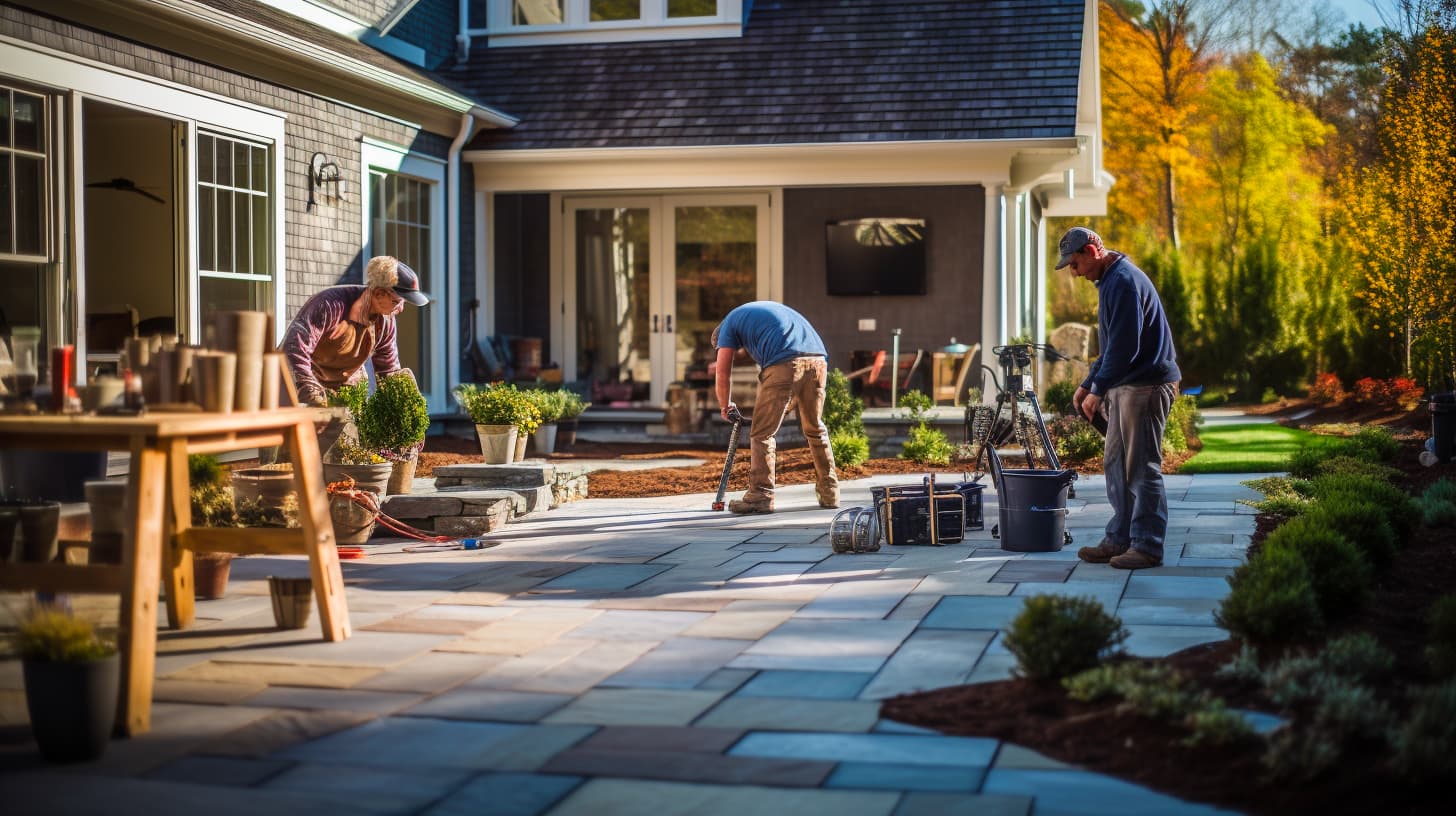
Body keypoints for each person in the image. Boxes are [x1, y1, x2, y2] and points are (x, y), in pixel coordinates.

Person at [1058, 227, 1181, 570]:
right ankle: (1119, 539)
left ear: (1092, 251)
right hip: (1127, 386)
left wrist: (1097, 391)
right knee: (1115, 464)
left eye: (1075, 262)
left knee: (1141, 468)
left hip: (1145, 386)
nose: (1074, 271)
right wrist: (1089, 383)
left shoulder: (1124, 281)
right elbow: (1111, 347)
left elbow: (1127, 348)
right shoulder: (1110, 282)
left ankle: (1147, 546)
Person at [713, 301, 838, 514]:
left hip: (785, 363)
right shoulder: (755, 315)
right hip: (818, 360)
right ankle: (830, 493)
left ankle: (760, 496)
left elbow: (722, 371)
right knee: (815, 428)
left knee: (762, 433)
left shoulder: (728, 326)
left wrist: (725, 405)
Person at [280, 256, 430, 407]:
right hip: (306, 383)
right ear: (378, 293)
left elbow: (388, 370)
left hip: (347, 389)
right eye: (397, 302)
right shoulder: (329, 305)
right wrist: (310, 392)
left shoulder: (386, 322)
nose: (400, 310)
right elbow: (294, 349)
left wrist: (399, 402)